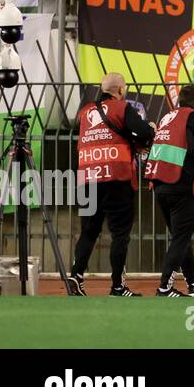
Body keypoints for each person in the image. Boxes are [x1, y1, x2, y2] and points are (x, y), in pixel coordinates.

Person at [67, 72, 156, 297]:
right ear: (120, 90)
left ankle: (76, 276)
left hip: (88, 178)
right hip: (116, 178)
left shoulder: (85, 112)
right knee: (120, 234)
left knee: (89, 231)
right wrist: (145, 137)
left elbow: (103, 136)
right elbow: (144, 131)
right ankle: (117, 285)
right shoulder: (121, 107)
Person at [145, 84, 194, 297]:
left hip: (161, 183)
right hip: (182, 185)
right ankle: (164, 288)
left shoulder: (167, 118)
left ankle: (193, 283)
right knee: (180, 238)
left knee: (181, 236)